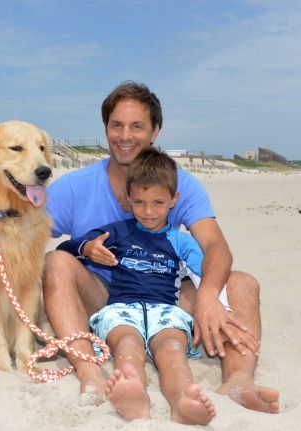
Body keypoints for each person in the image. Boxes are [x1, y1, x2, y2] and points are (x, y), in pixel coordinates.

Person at [42, 81, 279, 413]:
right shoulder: (74, 187)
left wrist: (208, 294)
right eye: (116, 125)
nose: (125, 136)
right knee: (55, 261)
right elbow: (22, 233)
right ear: (106, 128)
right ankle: (90, 374)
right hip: (102, 298)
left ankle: (239, 381)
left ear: (155, 131)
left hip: (164, 294)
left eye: (137, 126)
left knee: (243, 284)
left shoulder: (177, 182)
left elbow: (216, 246)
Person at [56, 147, 216, 424]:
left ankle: (182, 400)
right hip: (122, 309)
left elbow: (205, 275)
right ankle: (135, 395)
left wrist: (214, 306)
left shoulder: (182, 241)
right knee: (127, 345)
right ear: (128, 199)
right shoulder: (118, 231)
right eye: (139, 202)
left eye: (158, 202)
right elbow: (67, 246)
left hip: (165, 310)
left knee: (172, 349)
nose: (148, 211)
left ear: (174, 200)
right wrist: (88, 247)